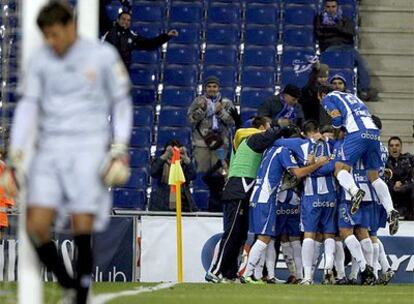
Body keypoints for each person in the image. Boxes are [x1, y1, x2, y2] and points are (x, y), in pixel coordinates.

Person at [1, 2, 133, 303]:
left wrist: (119, 148)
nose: (51, 41)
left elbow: (121, 103)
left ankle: (82, 289)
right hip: (50, 149)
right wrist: (15, 156)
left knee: (81, 221)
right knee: (35, 224)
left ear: (70, 26)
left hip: (88, 147)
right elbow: (28, 107)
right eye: (46, 35)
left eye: (55, 34)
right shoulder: (41, 61)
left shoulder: (102, 57)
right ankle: (68, 281)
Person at [205, 117, 296, 283]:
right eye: (267, 127)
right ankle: (214, 271)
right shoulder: (252, 138)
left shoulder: (247, 141)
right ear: (261, 127)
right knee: (232, 233)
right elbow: (269, 136)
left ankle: (230, 274)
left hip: (244, 190)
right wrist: (282, 128)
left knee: (240, 236)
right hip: (239, 188)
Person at [241, 141, 330, 284]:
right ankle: (247, 274)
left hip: (256, 196)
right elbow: (298, 173)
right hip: (267, 197)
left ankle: (256, 275)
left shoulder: (268, 150)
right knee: (264, 238)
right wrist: (319, 163)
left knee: (261, 238)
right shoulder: (284, 151)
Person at [318, 85, 400, 236]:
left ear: (321, 94)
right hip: (374, 134)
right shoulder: (354, 97)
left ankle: (355, 192)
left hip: (357, 133)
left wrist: (336, 128)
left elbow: (336, 118)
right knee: (374, 176)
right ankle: (391, 210)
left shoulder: (328, 98)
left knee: (340, 168)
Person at [315, 0, 375, 101]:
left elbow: (351, 32)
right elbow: (319, 34)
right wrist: (339, 30)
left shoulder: (343, 18)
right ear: (324, 8)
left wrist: (334, 27)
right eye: (328, 7)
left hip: (347, 47)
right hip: (329, 48)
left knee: (361, 62)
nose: (331, 9)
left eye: (333, 7)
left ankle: (364, 90)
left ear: (337, 7)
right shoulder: (319, 19)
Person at [187, 76, 235, 173]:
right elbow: (190, 120)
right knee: (202, 172)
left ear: (218, 88)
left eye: (214, 86)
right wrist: (202, 110)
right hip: (201, 143)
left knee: (219, 173)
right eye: (209, 86)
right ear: (205, 88)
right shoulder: (198, 101)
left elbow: (232, 122)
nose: (212, 89)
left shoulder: (226, 103)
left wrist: (220, 111)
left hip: (220, 143)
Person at [103, 9, 178, 68]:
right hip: (105, 66)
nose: (125, 22)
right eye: (123, 19)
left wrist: (166, 36)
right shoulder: (108, 30)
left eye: (128, 20)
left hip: (121, 70)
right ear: (118, 20)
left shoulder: (132, 36)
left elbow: (149, 44)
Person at [149, 140, 198, 212]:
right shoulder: (161, 163)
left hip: (183, 204)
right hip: (162, 204)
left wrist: (186, 158)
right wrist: (165, 155)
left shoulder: (184, 164)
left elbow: (193, 176)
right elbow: (153, 172)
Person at [386, 136, 414, 220]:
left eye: (397, 145)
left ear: (401, 147)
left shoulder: (408, 159)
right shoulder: (384, 161)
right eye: (391, 145)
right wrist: (393, 185)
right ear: (388, 148)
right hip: (390, 192)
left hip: (407, 191)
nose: (394, 147)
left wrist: (403, 185)